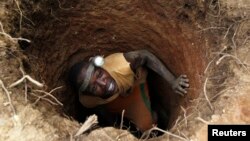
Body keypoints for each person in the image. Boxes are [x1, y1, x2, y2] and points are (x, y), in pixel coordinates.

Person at [68, 50, 189, 133]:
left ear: (101, 67)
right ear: (89, 94)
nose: (103, 83)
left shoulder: (121, 65)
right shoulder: (87, 100)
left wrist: (173, 81)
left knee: (147, 126)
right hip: (114, 102)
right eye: (94, 88)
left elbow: (145, 55)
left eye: (99, 74)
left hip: (133, 87)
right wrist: (112, 124)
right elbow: (98, 107)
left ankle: (156, 112)